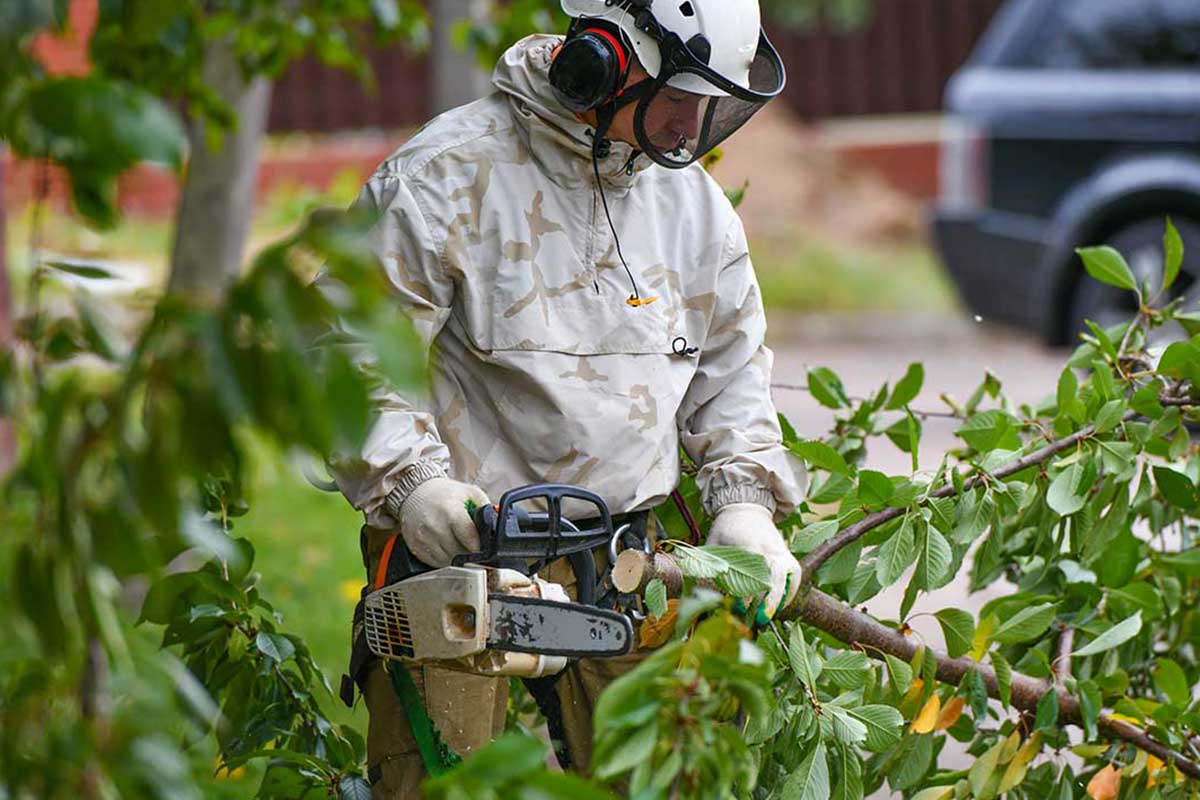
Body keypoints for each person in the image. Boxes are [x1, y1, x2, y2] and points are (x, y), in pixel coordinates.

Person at [325, 0, 805, 794]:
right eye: (680, 102)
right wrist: (411, 485)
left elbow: (732, 370)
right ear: (607, 63)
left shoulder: (693, 212)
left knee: (671, 780)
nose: (691, 130)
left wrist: (744, 501)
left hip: (623, 563)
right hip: (459, 557)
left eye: (709, 109)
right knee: (441, 786)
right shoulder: (446, 176)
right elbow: (345, 355)